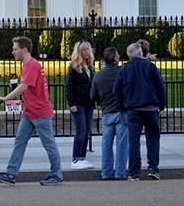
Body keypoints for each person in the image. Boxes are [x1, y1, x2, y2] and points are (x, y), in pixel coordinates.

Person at [0, 36, 63, 186]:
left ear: (24, 49)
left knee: (49, 144)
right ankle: (11, 174)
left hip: (40, 112)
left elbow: (24, 86)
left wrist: (6, 98)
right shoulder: (27, 65)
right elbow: (25, 86)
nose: (13, 52)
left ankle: (57, 175)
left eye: (15, 49)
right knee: (20, 142)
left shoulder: (32, 65)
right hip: (30, 111)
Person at [113, 42, 166, 181]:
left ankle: (134, 172)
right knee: (153, 138)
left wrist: (123, 104)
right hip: (150, 108)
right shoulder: (150, 66)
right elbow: (160, 86)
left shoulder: (125, 69)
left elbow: (116, 89)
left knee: (134, 141)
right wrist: (162, 105)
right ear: (140, 53)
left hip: (133, 109)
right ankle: (153, 168)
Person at [91, 47, 128, 180]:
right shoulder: (122, 72)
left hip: (107, 111)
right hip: (121, 110)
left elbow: (93, 95)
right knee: (122, 144)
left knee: (106, 143)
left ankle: (106, 172)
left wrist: (101, 102)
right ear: (115, 58)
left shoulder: (98, 75)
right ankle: (120, 172)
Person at [66, 41, 96, 170]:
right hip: (78, 103)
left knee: (87, 130)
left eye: (88, 49)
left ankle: (82, 158)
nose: (87, 52)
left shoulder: (90, 67)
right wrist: (71, 103)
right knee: (81, 129)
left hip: (88, 102)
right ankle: (76, 158)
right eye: (84, 49)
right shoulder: (74, 66)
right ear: (79, 52)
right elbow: (69, 86)